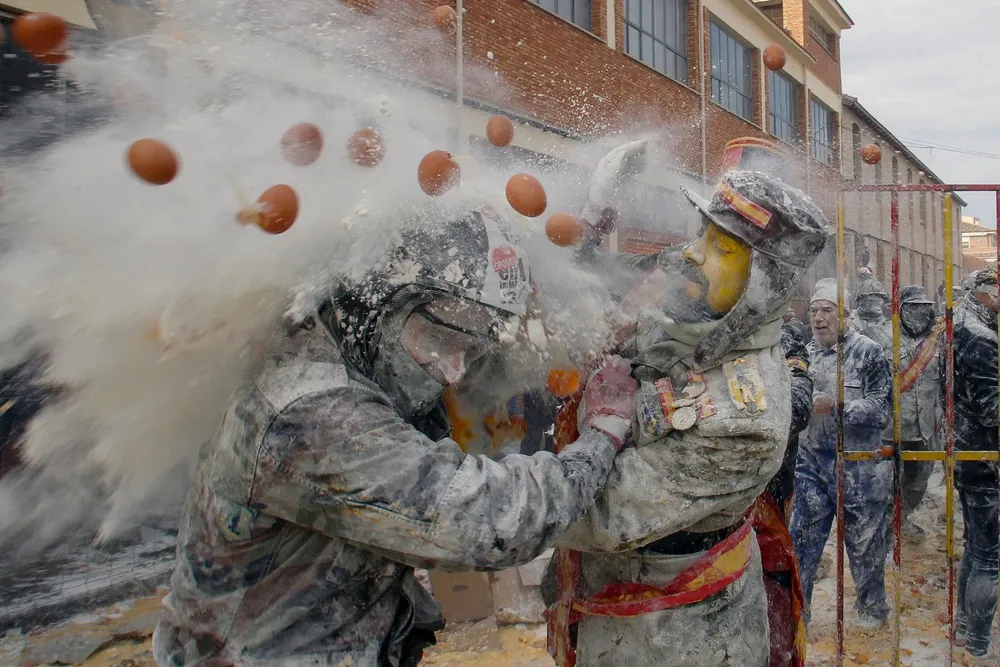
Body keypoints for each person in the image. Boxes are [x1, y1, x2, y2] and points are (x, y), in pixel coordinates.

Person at [152, 206, 640, 667]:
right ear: (378, 298)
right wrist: (603, 433)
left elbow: (494, 373)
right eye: (444, 340)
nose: (453, 371)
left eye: (470, 349)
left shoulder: (362, 346)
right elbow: (488, 520)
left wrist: (588, 244)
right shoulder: (311, 413)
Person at [546, 169, 829, 667]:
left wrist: (602, 427)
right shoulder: (701, 305)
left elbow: (591, 516)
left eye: (723, 248)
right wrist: (593, 221)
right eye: (703, 232)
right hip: (617, 606)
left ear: (764, 286)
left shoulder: (744, 418)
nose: (694, 252)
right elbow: (612, 274)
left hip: (675, 633)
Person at [791, 278, 893, 630]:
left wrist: (839, 405)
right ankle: (796, 616)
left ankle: (871, 613)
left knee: (864, 549)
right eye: (814, 310)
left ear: (845, 315)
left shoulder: (868, 352)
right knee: (801, 545)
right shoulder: (803, 355)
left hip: (858, 466)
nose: (818, 317)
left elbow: (882, 410)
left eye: (827, 310)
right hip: (811, 466)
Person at [952, 268, 1000, 662]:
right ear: (983, 292)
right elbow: (990, 409)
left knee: (975, 548)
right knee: (988, 555)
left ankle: (965, 626)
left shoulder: (958, 326)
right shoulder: (981, 338)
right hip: (984, 459)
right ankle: (979, 642)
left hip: (966, 453)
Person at [881, 285, 942, 540]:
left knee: (918, 481)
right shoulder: (884, 338)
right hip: (892, 427)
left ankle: (902, 517)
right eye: (912, 307)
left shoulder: (939, 340)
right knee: (888, 482)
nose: (918, 313)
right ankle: (887, 526)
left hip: (926, 426)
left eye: (923, 307)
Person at [854, 269, 892, 355]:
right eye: (870, 299)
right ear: (861, 300)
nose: (874, 302)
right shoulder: (850, 324)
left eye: (878, 298)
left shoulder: (891, 326)